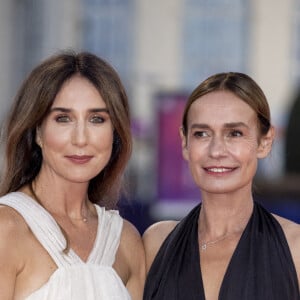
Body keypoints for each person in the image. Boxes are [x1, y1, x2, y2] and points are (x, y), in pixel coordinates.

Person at [0, 51, 145, 299]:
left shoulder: (126, 242)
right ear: (37, 132)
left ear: (115, 133)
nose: (80, 139)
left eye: (97, 119)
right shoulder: (7, 229)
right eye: (63, 118)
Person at [143, 72, 300, 300]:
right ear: (185, 143)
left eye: (234, 133)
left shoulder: (295, 248)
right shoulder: (155, 243)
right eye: (202, 134)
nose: (216, 151)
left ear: (264, 142)